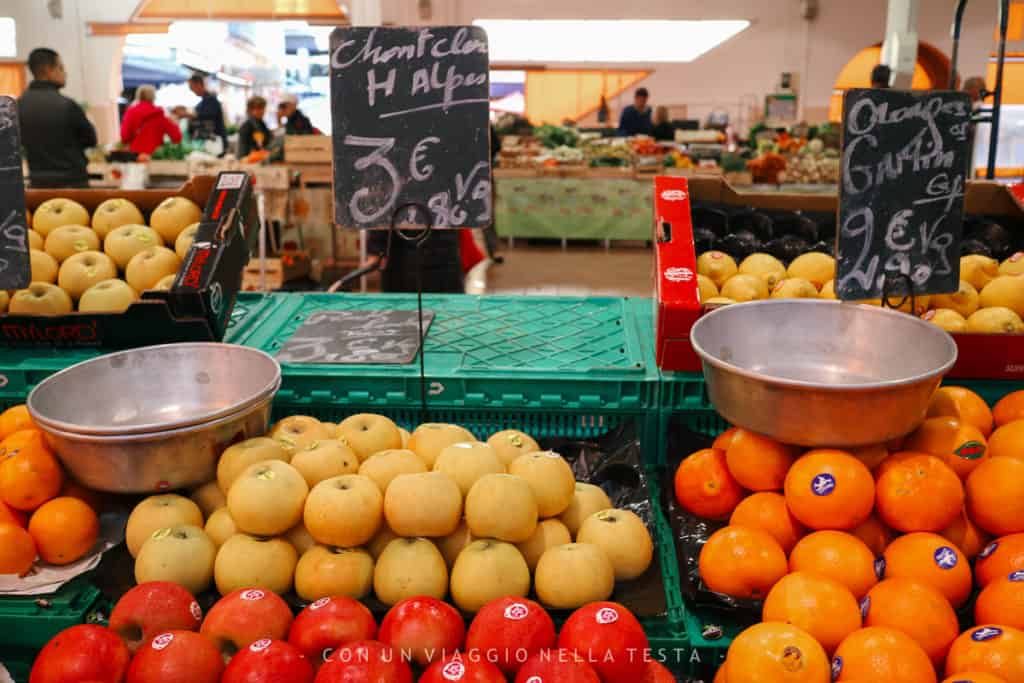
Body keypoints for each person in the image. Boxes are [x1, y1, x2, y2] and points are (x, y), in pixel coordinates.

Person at [17, 48, 97, 188]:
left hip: (38, 183)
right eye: (61, 67)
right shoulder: (67, 105)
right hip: (73, 183)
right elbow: (91, 139)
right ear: (49, 70)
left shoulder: (18, 106)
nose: (65, 73)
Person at [119, 85, 182, 156]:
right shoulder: (160, 114)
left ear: (138, 96)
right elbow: (176, 138)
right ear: (154, 97)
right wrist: (175, 123)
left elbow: (124, 136)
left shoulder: (131, 112)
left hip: (135, 155)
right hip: (156, 155)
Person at [187, 74, 227, 151]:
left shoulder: (211, 100)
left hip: (215, 143)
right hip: (209, 143)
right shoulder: (202, 102)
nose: (191, 90)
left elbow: (207, 115)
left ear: (198, 84)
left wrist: (188, 114)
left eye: (191, 87)